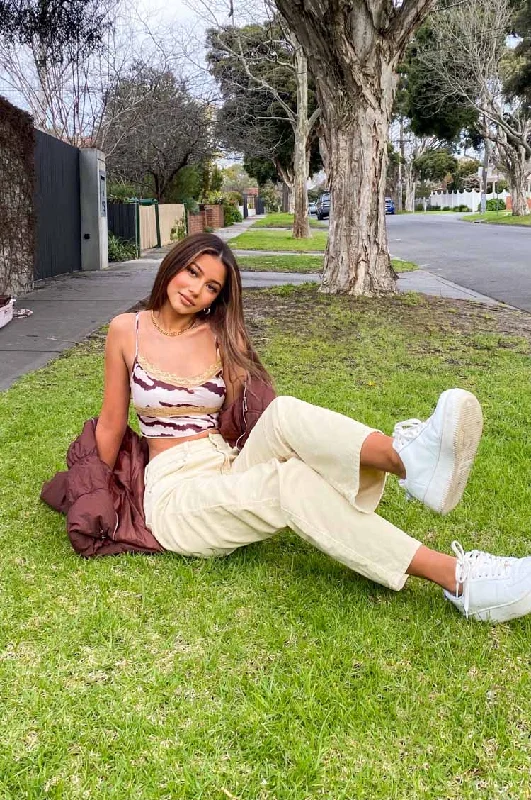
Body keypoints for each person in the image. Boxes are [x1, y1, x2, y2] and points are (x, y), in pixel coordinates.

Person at [96, 232, 531, 624]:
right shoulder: (125, 330)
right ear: (174, 264)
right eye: (192, 273)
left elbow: (258, 412)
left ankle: (409, 461)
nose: (196, 290)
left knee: (283, 412)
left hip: (225, 464)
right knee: (290, 483)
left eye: (211, 287)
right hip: (177, 493)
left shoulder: (220, 336)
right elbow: (112, 424)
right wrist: (96, 491)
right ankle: (461, 581)